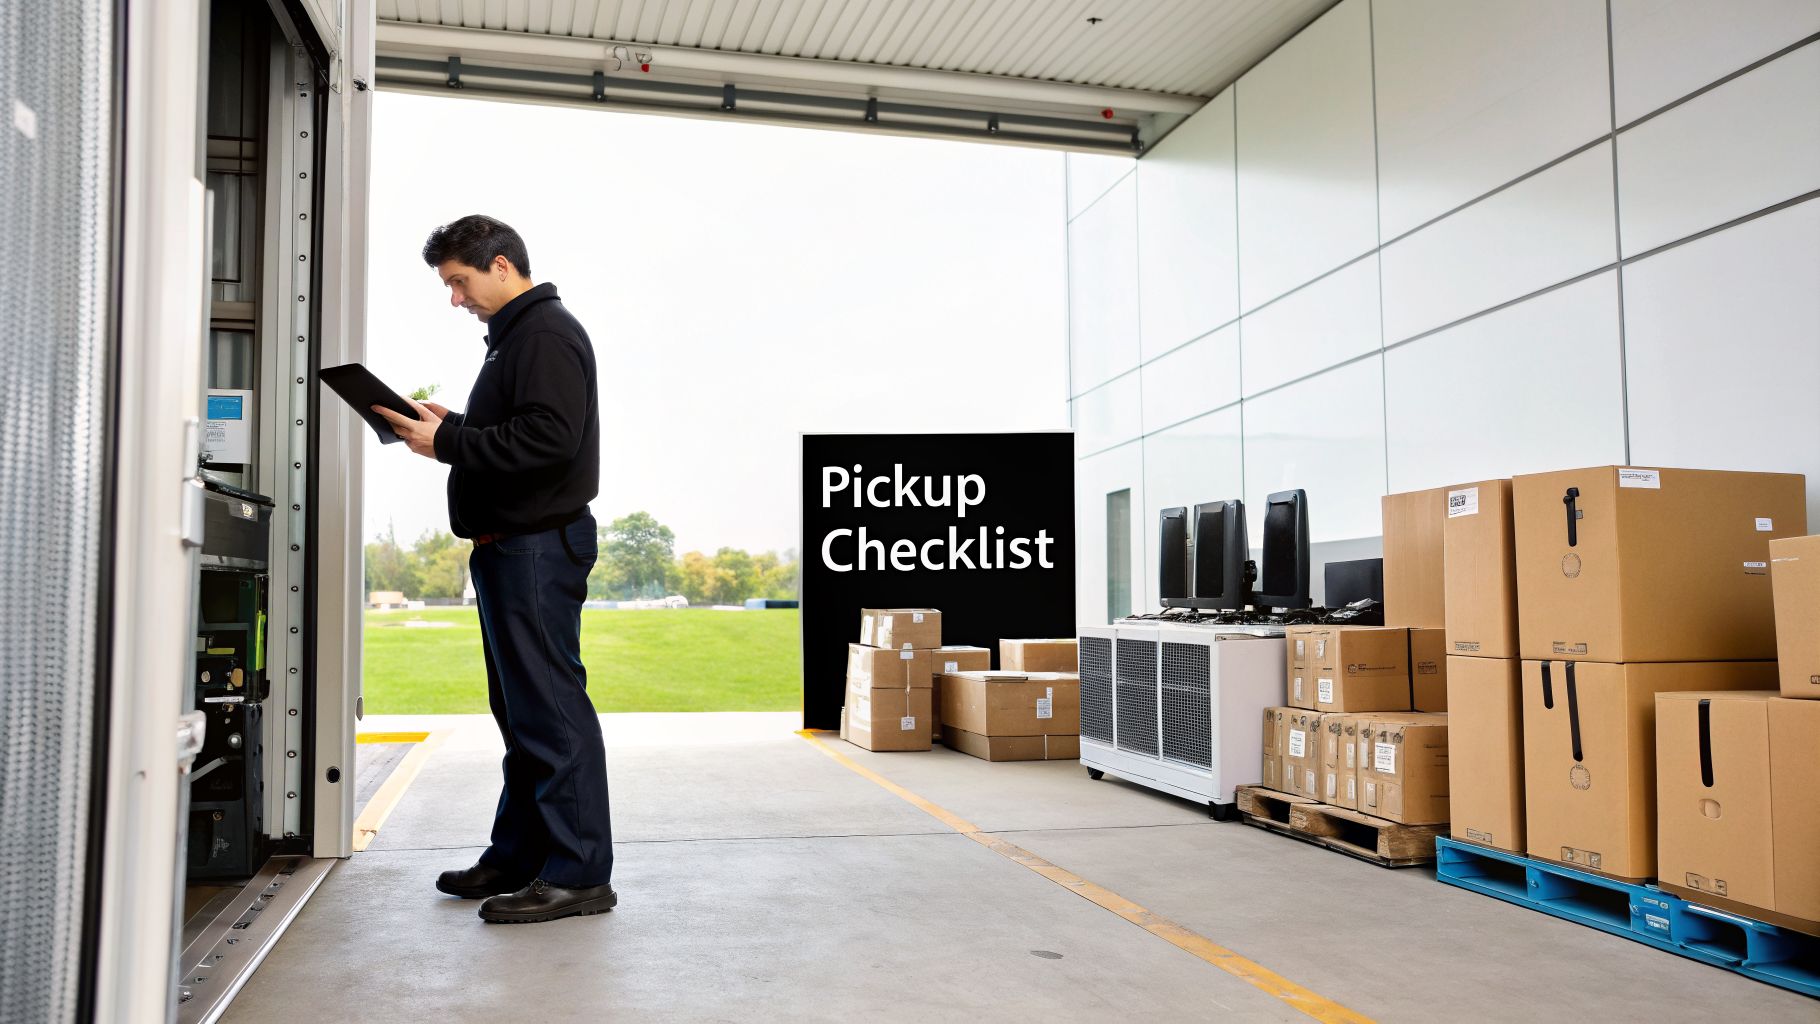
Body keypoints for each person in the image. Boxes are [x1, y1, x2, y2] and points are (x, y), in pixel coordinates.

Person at [372, 214, 616, 924]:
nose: (455, 298)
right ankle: (521, 854)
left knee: (550, 711)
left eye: (460, 281)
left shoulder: (543, 334)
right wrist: (452, 422)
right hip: (511, 548)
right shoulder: (514, 341)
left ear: (502, 266)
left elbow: (548, 438)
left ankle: (578, 873)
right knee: (521, 714)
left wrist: (448, 440)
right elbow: (521, 430)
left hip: (537, 547)